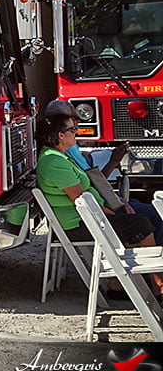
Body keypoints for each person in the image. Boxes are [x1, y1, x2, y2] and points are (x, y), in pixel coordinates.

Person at [36, 112, 163, 299]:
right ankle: (158, 285)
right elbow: (82, 201)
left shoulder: (58, 156)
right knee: (141, 223)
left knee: (145, 218)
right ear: (60, 135)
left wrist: (119, 206)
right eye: (72, 129)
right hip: (79, 224)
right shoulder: (54, 161)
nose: (76, 132)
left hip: (89, 218)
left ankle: (122, 283)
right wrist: (114, 211)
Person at [45, 99, 163, 244]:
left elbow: (91, 183)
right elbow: (82, 198)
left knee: (143, 211)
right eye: (73, 121)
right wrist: (113, 162)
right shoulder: (56, 160)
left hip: (101, 207)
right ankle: (152, 259)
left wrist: (118, 201)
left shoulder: (64, 152)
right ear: (60, 133)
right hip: (86, 218)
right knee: (150, 217)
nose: (78, 124)